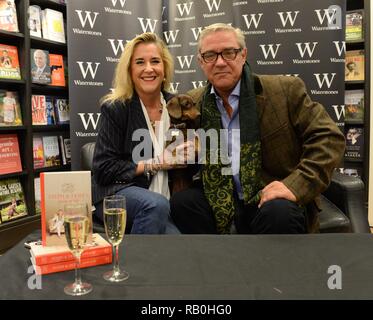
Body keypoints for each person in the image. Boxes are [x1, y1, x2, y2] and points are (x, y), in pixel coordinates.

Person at [170, 23, 345, 234]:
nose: (220, 62)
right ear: (200, 62)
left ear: (243, 55)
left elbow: (329, 137)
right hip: (222, 197)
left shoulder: (285, 91)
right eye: (210, 55)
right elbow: (178, 151)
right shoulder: (194, 102)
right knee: (183, 203)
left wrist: (294, 185)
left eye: (229, 53)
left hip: (269, 194)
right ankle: (214, 264)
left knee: (279, 213)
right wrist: (187, 152)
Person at [92, 32, 190, 234]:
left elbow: (191, 153)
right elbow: (104, 169)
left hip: (165, 204)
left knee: (179, 250)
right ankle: (134, 266)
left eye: (155, 61)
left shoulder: (178, 104)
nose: (149, 69)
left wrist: (192, 152)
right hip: (117, 193)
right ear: (130, 70)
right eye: (140, 62)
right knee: (154, 205)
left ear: (164, 68)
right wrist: (156, 162)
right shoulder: (116, 108)